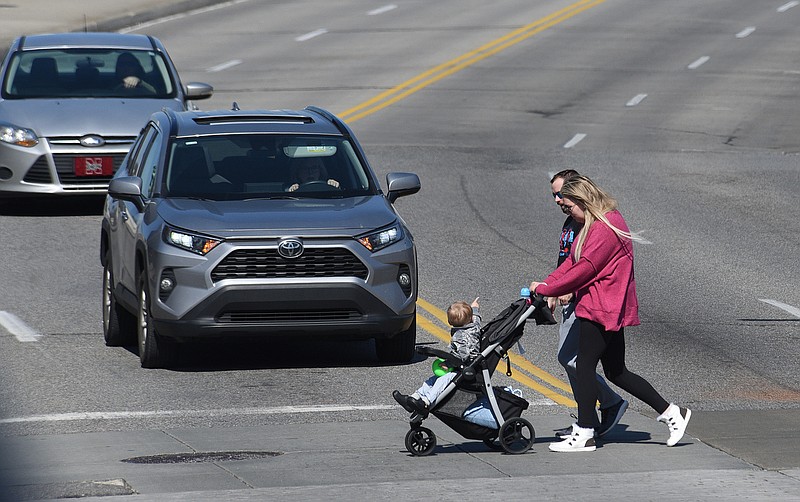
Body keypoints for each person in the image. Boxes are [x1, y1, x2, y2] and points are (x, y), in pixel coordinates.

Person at [530, 175, 691, 452]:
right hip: (602, 303)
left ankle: (584, 432)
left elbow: (585, 270)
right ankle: (673, 413)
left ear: (583, 201)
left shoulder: (606, 227)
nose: (567, 212)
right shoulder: (592, 223)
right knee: (616, 371)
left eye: (569, 207)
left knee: (584, 367)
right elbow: (572, 261)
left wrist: (548, 288)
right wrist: (548, 283)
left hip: (602, 305)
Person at [549, 169, 628, 440]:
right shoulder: (572, 221)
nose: (558, 201)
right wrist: (551, 288)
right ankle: (590, 418)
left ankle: (595, 416)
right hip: (571, 297)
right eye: (556, 196)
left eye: (562, 196)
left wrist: (563, 288)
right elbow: (567, 262)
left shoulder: (592, 224)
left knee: (579, 362)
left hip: (590, 302)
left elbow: (586, 266)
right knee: (593, 365)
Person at [393, 298, 481, 414]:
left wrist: (448, 364)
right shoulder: (474, 326)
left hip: (464, 367)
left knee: (442, 381)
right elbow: (477, 317)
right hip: (462, 365)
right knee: (433, 379)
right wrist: (474, 308)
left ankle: (425, 401)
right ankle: (414, 398)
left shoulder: (461, 336)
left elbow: (463, 356)